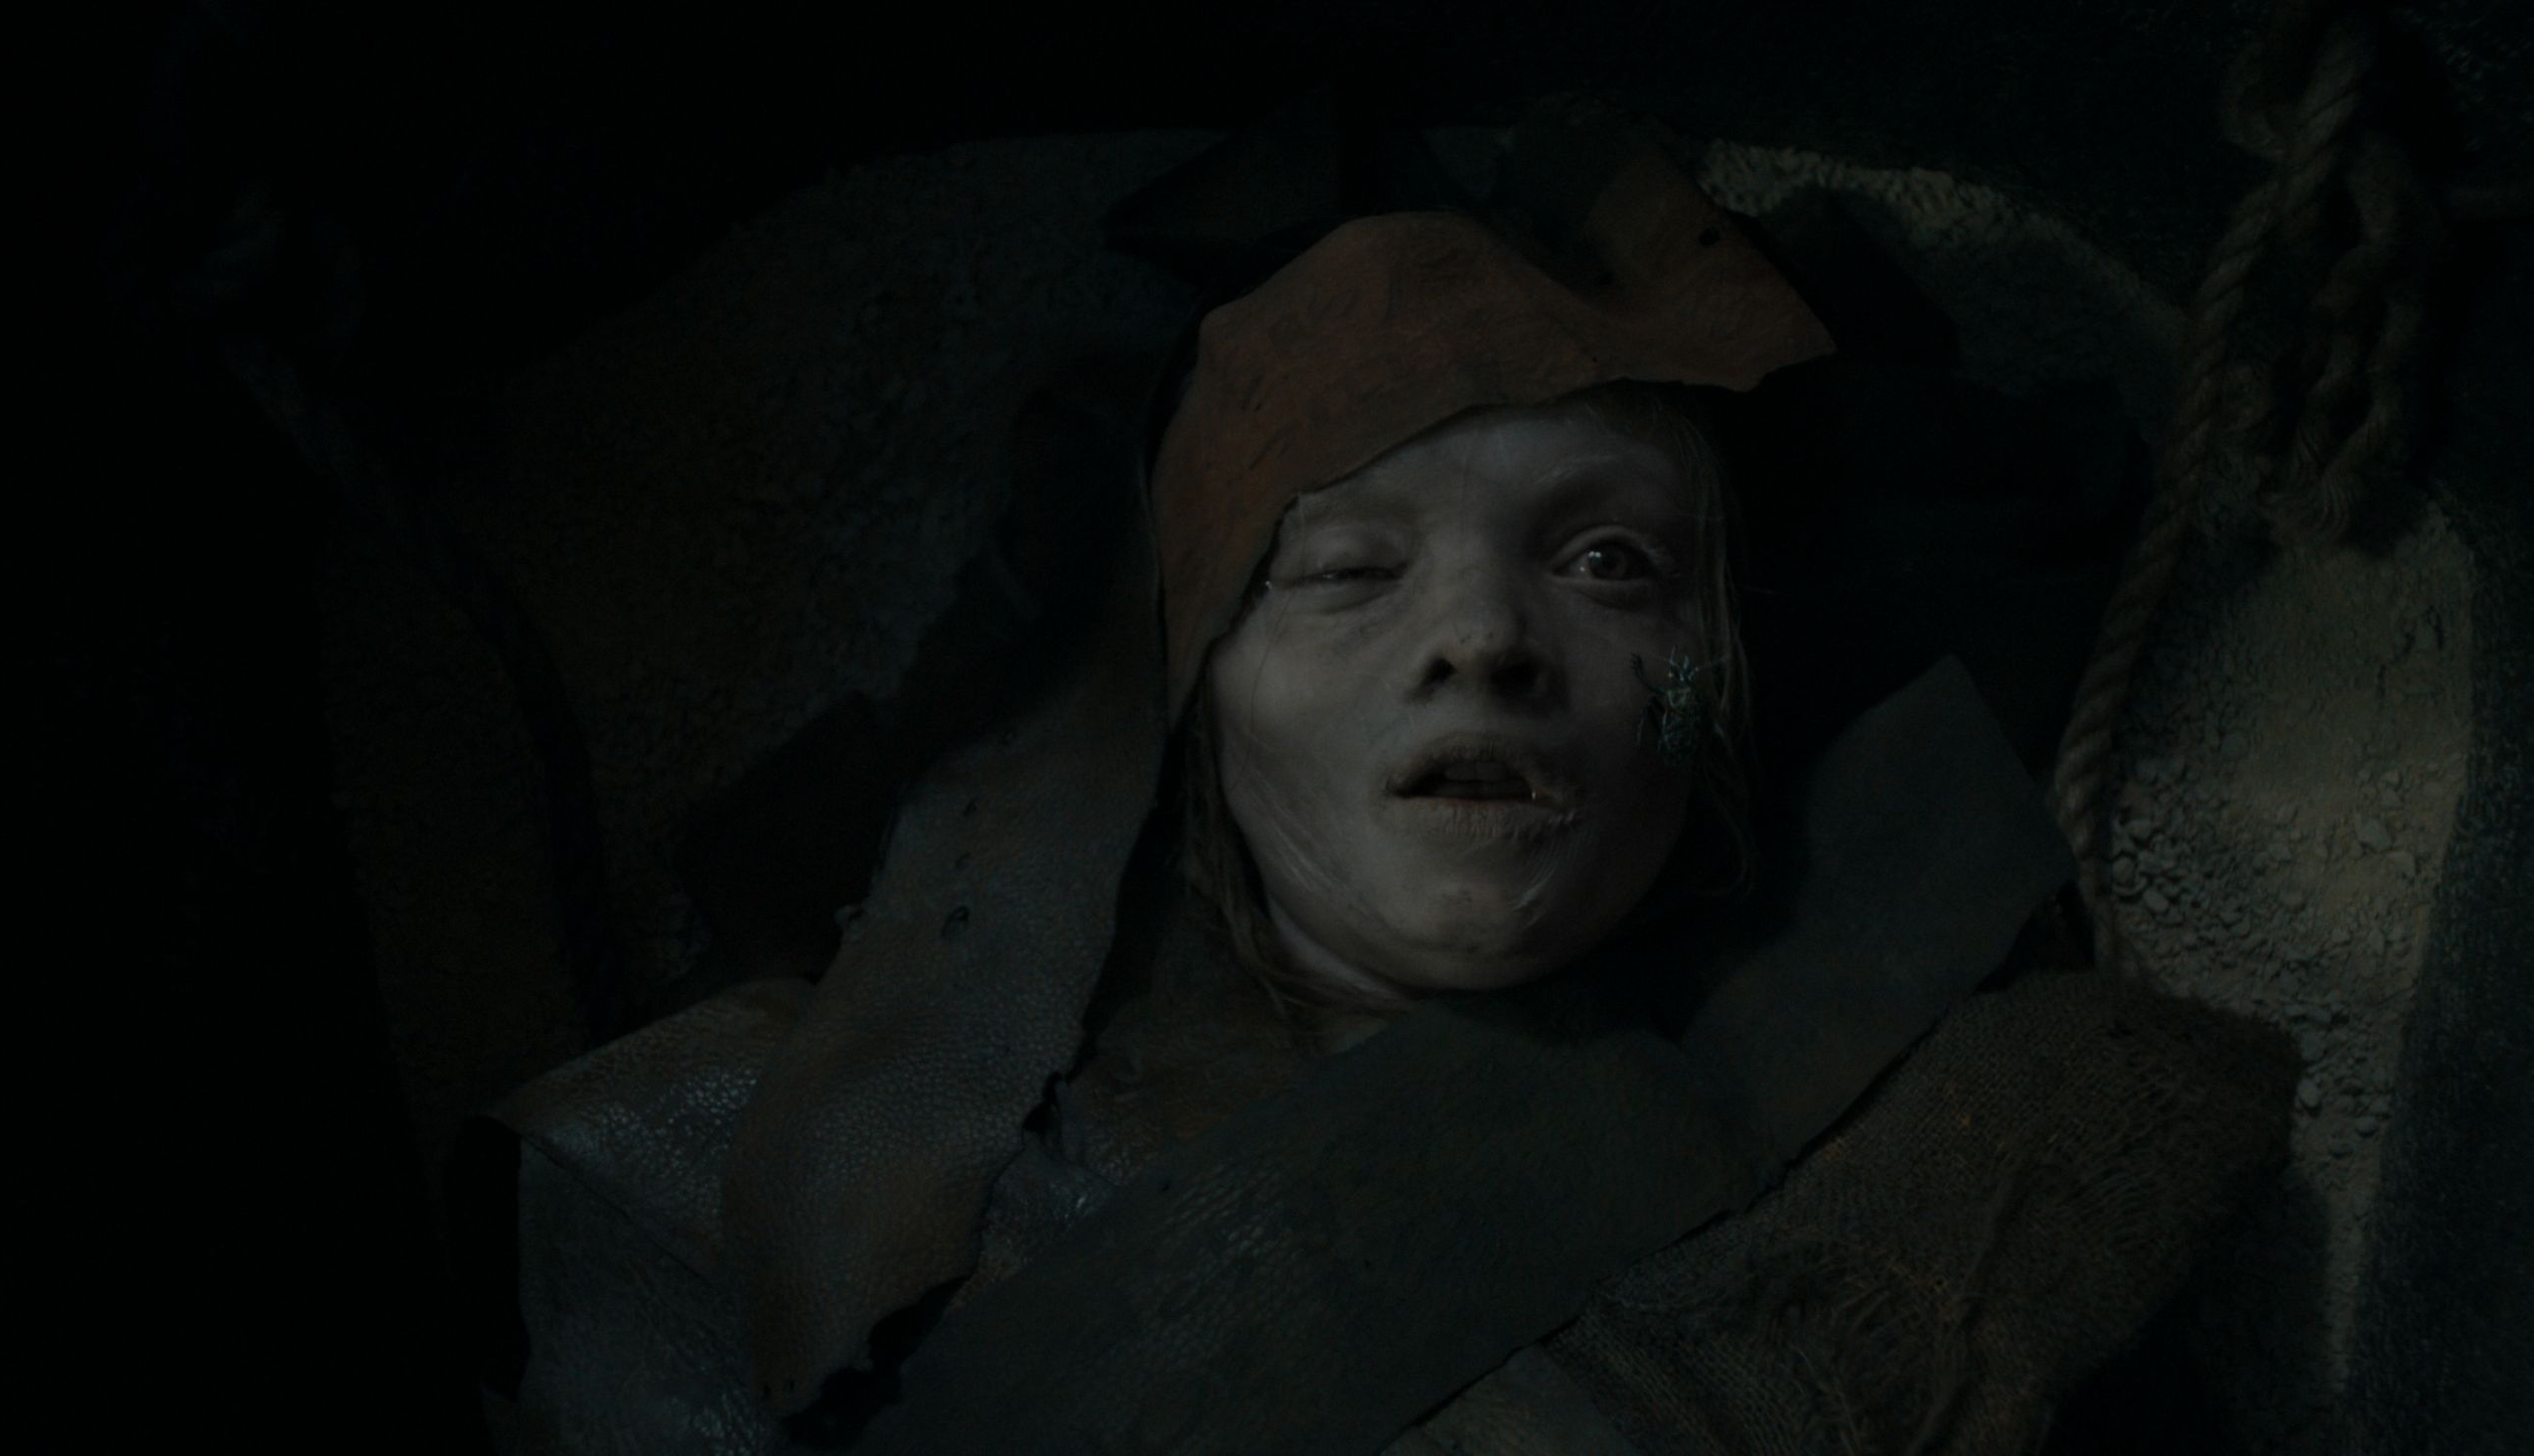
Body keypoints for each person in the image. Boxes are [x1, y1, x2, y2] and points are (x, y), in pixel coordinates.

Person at [468, 107, 2293, 1456]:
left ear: (1710, 695)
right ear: (1203, 697)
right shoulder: (707, 1171)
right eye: (1347, 570)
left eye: (1608, 568)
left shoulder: (2000, 1149)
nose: (1484, 637)